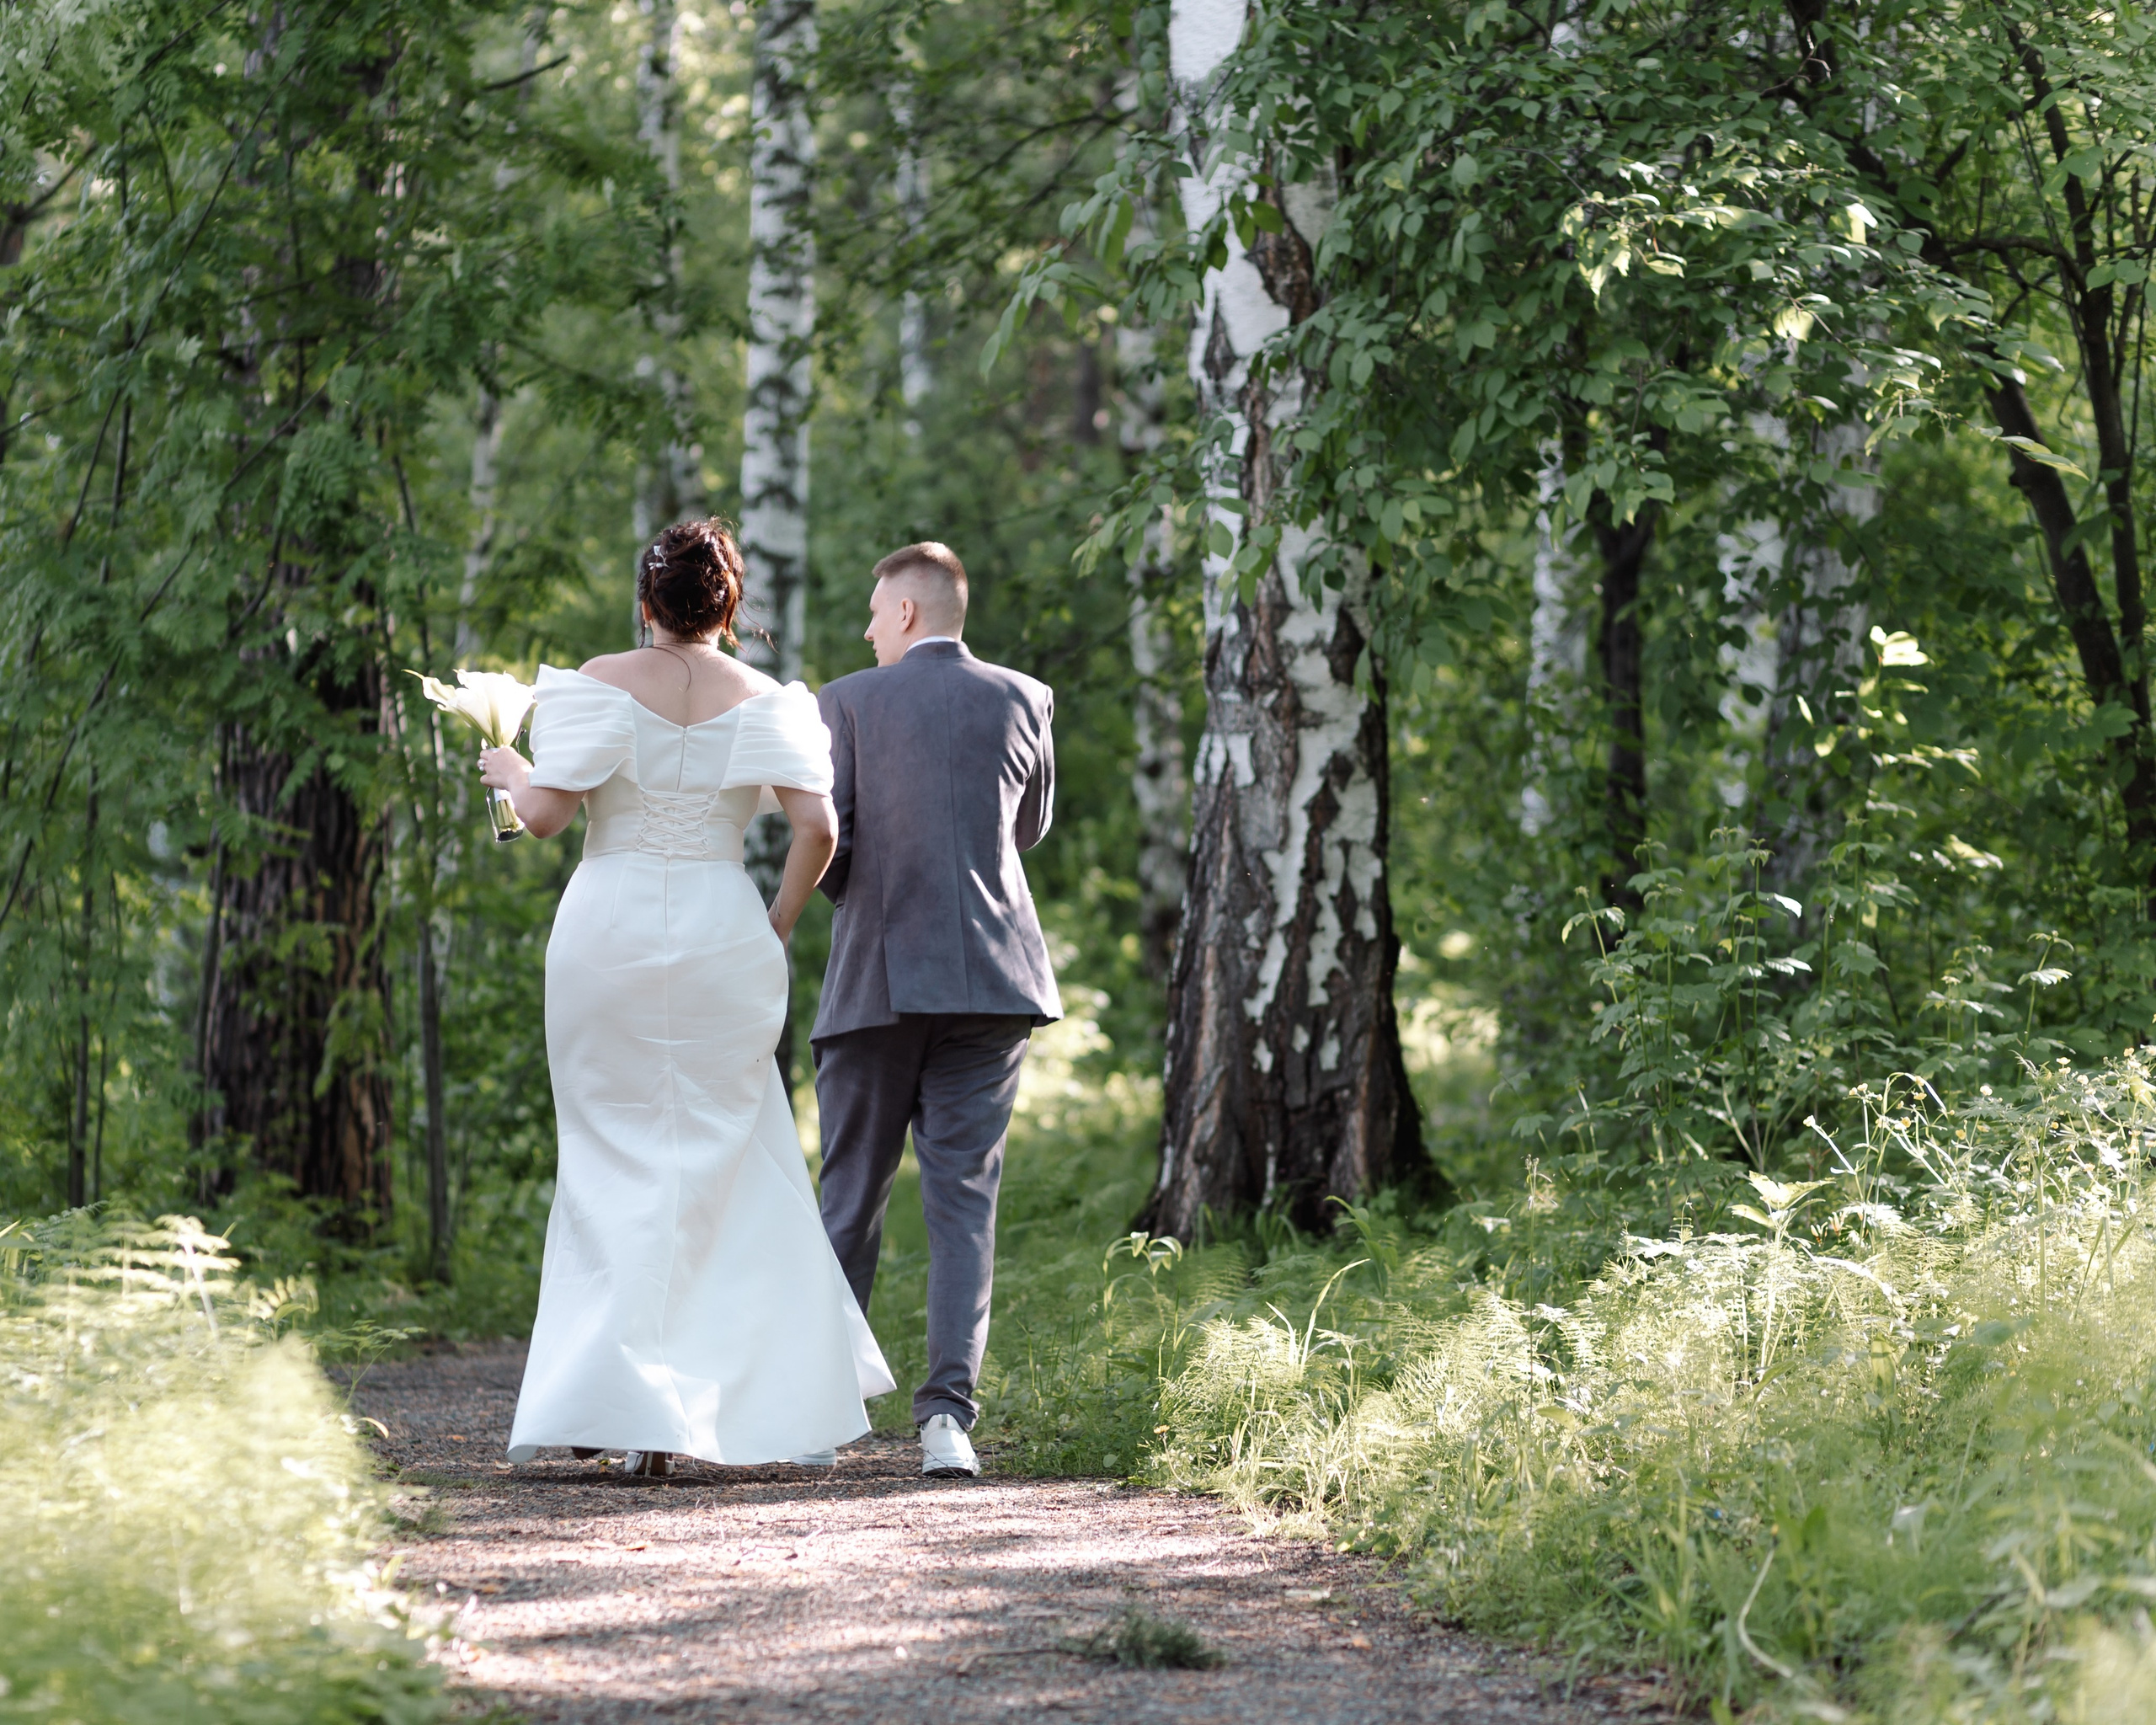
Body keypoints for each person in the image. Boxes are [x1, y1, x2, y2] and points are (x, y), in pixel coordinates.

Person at [480, 519, 892, 1478]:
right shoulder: (771, 700)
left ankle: (619, 1398)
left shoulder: (593, 683)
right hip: (721, 932)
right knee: (724, 1157)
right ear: (730, 607)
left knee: (608, 1157)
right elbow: (817, 829)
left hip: (608, 933)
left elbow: (540, 819)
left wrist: (506, 771)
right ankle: (721, 1397)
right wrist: (775, 923)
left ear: (644, 601)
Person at [812, 542, 1061, 1479]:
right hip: (993, 982)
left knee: (850, 1197)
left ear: (908, 612)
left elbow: (826, 837)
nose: (867, 628)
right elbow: (1025, 828)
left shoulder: (845, 701)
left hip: (877, 978)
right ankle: (948, 1420)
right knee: (964, 1204)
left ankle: (821, 1408)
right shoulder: (1025, 697)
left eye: (876, 611)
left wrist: (859, 891)